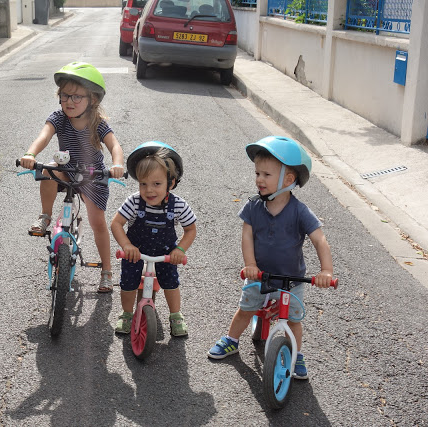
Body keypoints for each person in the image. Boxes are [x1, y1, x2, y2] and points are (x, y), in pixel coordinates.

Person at [208, 136, 333, 380]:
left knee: (293, 321)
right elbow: (247, 236)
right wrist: (250, 265)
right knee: (246, 309)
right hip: (260, 276)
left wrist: (326, 270)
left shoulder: (300, 211)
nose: (259, 179)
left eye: (266, 174)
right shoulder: (253, 207)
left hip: (292, 280)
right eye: (257, 173)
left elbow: (320, 240)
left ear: (288, 179)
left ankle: (296, 354)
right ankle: (232, 339)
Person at [19, 62, 125, 293]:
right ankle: (45, 216)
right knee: (48, 168)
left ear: (93, 100)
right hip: (66, 169)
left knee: (98, 223)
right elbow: (44, 136)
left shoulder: (97, 123)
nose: (69, 101)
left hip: (92, 175)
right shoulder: (58, 118)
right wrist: (30, 154)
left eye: (77, 97)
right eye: (65, 95)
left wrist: (117, 165)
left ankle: (106, 271)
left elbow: (114, 145)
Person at [111, 141, 197, 337]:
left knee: (171, 282)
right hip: (135, 251)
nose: (149, 190)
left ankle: (176, 315)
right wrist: (126, 245)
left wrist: (180, 250)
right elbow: (116, 223)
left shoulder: (178, 205)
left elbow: (191, 229)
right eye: (143, 184)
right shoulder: (134, 201)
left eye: (156, 184)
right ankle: (126, 313)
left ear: (171, 183)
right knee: (128, 282)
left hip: (165, 252)